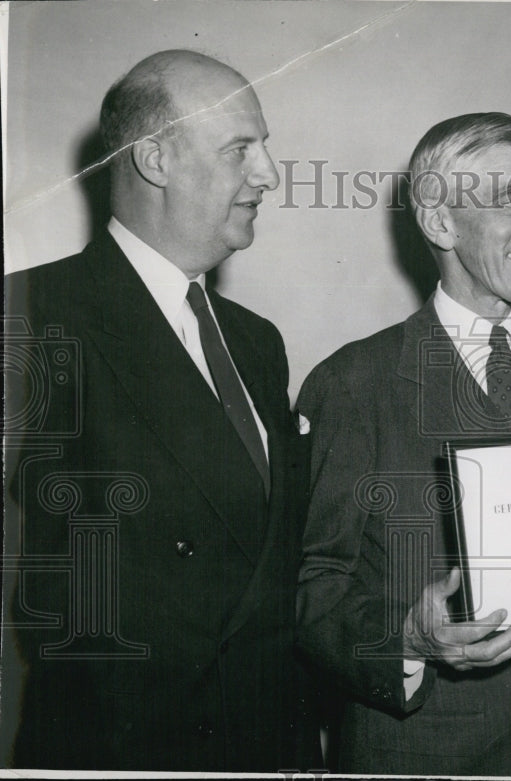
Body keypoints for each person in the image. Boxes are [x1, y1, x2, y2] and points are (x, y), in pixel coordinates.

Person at [296, 112, 511, 776]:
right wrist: (408, 635)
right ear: (439, 222)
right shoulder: (352, 382)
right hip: (432, 755)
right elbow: (315, 590)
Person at [4, 50, 316, 771]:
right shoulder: (30, 315)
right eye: (242, 148)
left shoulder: (255, 341)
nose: (269, 173)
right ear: (154, 159)